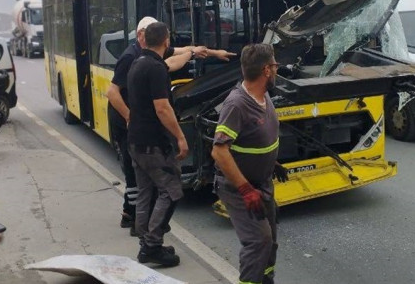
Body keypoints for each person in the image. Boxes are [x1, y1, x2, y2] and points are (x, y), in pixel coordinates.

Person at [107, 16, 235, 234]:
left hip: (139, 132)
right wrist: (131, 118)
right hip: (131, 127)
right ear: (143, 36)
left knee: (146, 186)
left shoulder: (146, 60)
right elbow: (116, 94)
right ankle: (144, 230)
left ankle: (141, 231)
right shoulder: (132, 58)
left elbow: (181, 54)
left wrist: (213, 53)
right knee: (161, 187)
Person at [211, 43, 289, 284]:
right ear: (266, 70)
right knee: (258, 241)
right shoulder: (237, 104)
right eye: (274, 65)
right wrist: (245, 189)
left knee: (270, 241)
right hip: (239, 189)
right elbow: (219, 151)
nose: (276, 70)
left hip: (262, 182)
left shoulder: (264, 95)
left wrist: (270, 163)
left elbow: (257, 138)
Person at [127, 21, 189, 267]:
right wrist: (181, 137)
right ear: (166, 40)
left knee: (146, 191)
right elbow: (162, 108)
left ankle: (146, 241)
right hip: (153, 143)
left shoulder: (137, 63)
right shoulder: (155, 68)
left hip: (136, 140)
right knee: (171, 190)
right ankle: (153, 245)